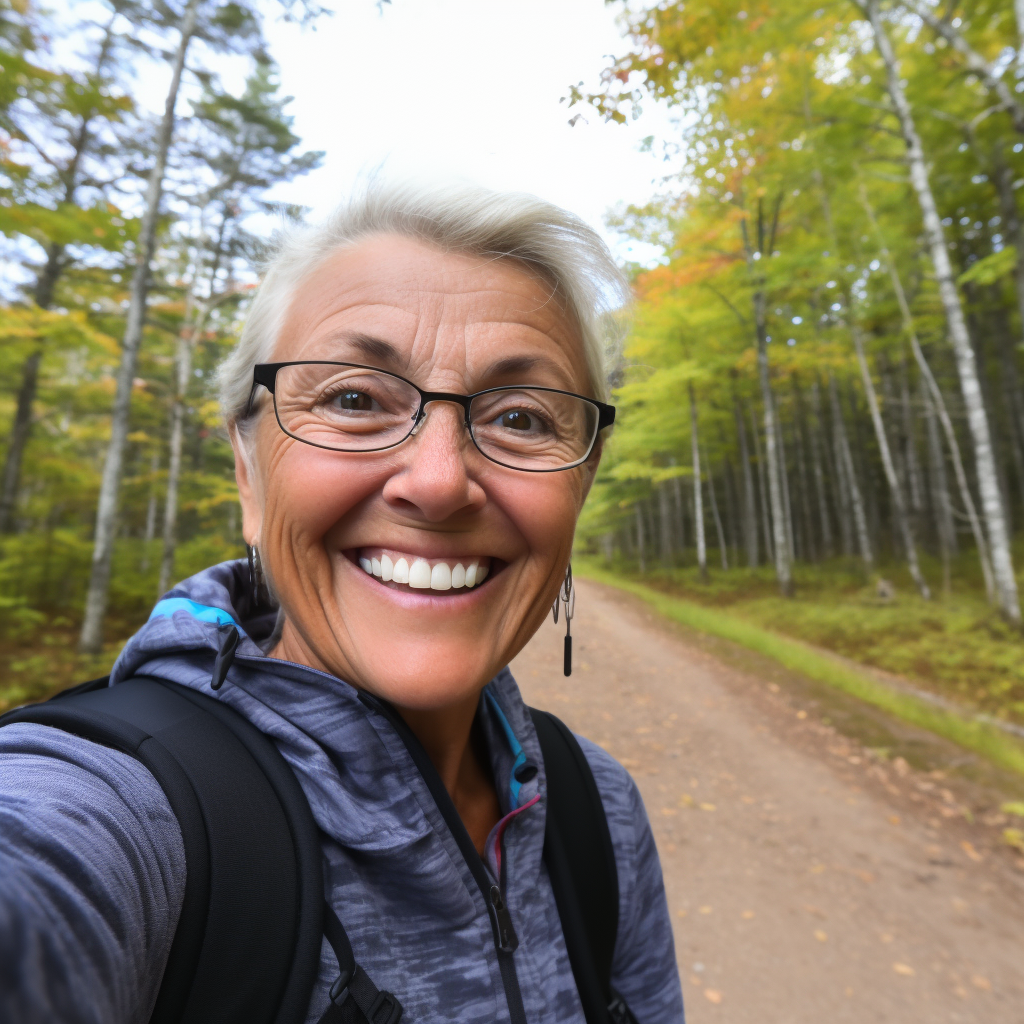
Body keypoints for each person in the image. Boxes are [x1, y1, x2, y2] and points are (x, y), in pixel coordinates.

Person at [0, 182, 684, 1023]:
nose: (438, 483)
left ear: (580, 483)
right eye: (354, 399)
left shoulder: (597, 810)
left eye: (521, 418)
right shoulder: (124, 814)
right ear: (247, 471)